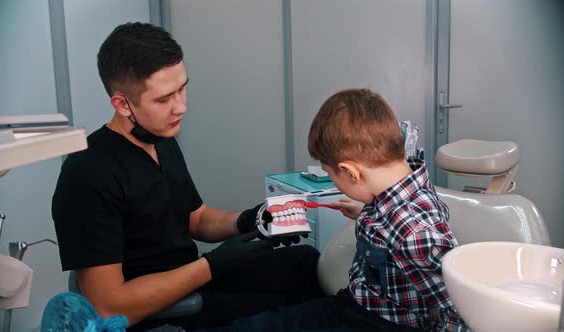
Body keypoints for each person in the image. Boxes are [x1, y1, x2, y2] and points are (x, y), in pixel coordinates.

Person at [51, 22, 322, 332]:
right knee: (303, 314)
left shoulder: (160, 139)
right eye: (164, 99)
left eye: (182, 88)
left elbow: (196, 218)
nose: (181, 107)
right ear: (122, 104)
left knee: (305, 264)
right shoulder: (87, 173)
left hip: (193, 281)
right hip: (164, 313)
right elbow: (108, 306)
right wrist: (214, 264)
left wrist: (249, 220)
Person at [199, 88, 471, 332]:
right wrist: (366, 208)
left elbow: (458, 312)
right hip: (355, 305)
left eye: (332, 175)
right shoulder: (401, 185)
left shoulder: (415, 234)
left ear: (350, 173)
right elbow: (396, 216)